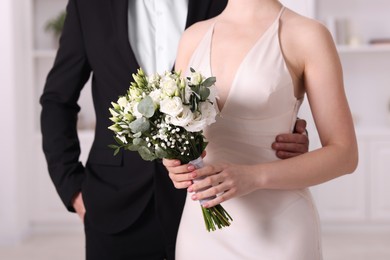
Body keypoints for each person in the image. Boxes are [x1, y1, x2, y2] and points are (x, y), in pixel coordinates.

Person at [39, 0, 309, 259]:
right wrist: (72, 189)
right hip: (114, 202)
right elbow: (57, 100)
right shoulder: (89, 4)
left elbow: (259, 75)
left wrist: (279, 130)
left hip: (209, 202)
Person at [163, 0, 359, 259]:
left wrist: (254, 176)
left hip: (279, 228)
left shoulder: (307, 34)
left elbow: (345, 155)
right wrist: (174, 163)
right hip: (200, 228)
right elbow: (179, 132)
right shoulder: (192, 37)